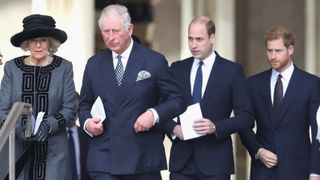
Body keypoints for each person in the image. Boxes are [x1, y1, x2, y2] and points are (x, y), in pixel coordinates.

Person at [78, 4, 186, 180]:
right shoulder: (94, 64)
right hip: (104, 159)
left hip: (142, 159)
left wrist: (154, 114)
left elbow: (177, 100)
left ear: (129, 29)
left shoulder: (154, 61)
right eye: (106, 31)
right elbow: (84, 105)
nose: (110, 37)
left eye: (115, 31)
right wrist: (88, 123)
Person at [162, 16, 253, 180]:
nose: (193, 45)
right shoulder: (177, 69)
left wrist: (215, 127)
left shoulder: (232, 71)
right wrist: (174, 129)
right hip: (181, 163)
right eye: (190, 39)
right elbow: (161, 107)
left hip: (216, 163)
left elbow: (246, 118)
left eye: (199, 39)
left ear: (212, 38)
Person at [0, 14, 77, 180]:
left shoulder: (64, 67)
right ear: (26, 43)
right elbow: (2, 108)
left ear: (51, 42)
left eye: (43, 39)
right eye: (33, 40)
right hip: (16, 151)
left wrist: (48, 125)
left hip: (53, 152)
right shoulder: (12, 68)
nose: (38, 44)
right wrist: (19, 129)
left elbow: (70, 108)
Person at [239, 26, 320, 180]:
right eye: (269, 51)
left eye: (278, 51)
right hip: (262, 170)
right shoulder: (253, 84)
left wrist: (315, 172)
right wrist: (257, 150)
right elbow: (243, 124)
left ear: (290, 49)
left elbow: (318, 132)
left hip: (298, 170)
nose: (273, 56)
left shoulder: (312, 84)